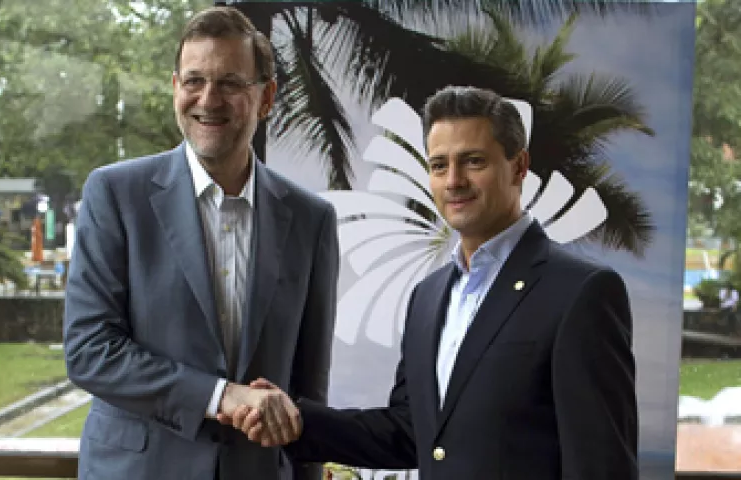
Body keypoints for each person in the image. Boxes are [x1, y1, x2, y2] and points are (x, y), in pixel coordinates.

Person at [223, 86, 639, 479]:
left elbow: (602, 466)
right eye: (439, 165)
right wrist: (299, 421)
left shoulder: (580, 293)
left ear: (519, 167)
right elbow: (409, 432)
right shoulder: (429, 296)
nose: (453, 180)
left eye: (473, 161)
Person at [63, 6, 339, 480]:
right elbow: (90, 350)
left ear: (267, 97)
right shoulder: (114, 195)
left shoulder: (311, 219)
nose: (208, 99)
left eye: (230, 83)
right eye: (194, 80)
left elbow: (306, 389)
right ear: (175, 88)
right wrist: (220, 395)